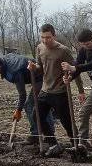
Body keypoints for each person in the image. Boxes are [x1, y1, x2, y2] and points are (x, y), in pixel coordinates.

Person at [31, 24, 84, 158]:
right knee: (36, 116)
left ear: (54, 35)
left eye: (48, 37)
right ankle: (53, 144)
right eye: (42, 37)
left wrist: (79, 89)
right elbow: (40, 67)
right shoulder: (40, 47)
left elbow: (75, 68)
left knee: (66, 120)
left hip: (60, 91)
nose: (45, 40)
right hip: (45, 89)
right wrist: (33, 67)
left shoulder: (63, 50)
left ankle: (76, 146)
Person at [0, 52, 55, 143]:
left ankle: (36, 134)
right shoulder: (5, 62)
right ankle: (47, 132)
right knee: (41, 104)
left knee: (30, 104)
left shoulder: (15, 71)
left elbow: (22, 94)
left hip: (42, 77)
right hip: (37, 77)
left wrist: (18, 110)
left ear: (1, 64)